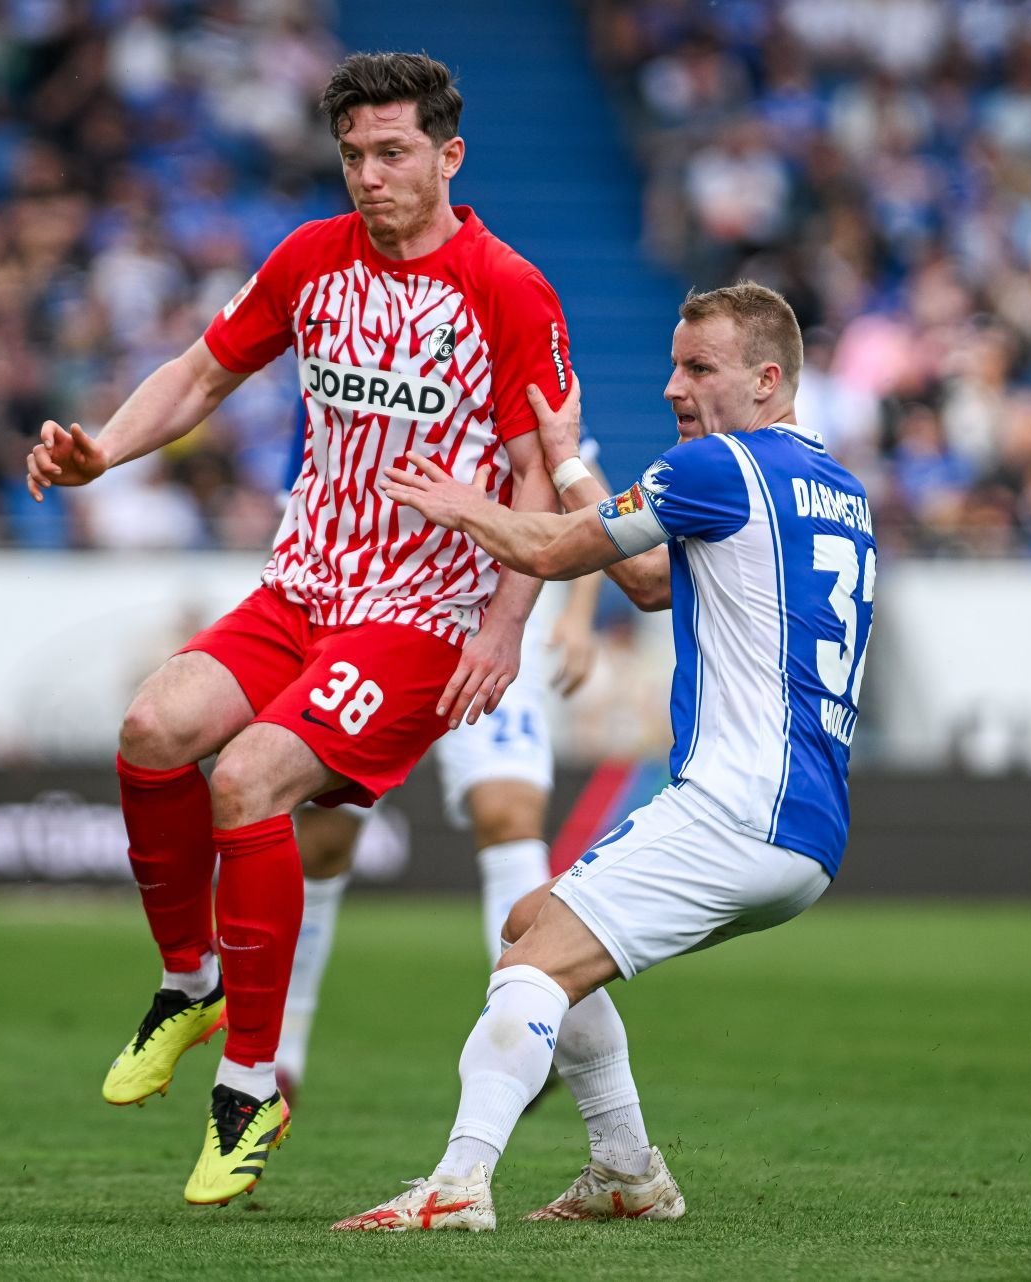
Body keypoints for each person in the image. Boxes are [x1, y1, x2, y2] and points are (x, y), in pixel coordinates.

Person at [26, 51, 578, 1205]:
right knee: (150, 729)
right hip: (302, 587)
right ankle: (190, 984)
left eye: (391, 154)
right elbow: (199, 373)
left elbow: (542, 472)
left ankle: (251, 1086)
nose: (369, 177)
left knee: (248, 783)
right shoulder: (308, 260)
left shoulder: (508, 289)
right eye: (353, 157)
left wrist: (508, 622)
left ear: (447, 155)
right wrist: (102, 451)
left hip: (422, 616)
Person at [334, 281, 875, 1231]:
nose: (672, 386)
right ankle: (626, 1171)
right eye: (673, 363)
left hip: (734, 805)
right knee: (536, 923)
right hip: (808, 831)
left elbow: (549, 550)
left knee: (531, 964)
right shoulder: (837, 490)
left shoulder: (724, 468)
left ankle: (456, 1187)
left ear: (767, 378)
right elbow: (647, 580)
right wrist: (565, 458)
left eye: (698, 367)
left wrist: (464, 505)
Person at [279, 572, 599, 1100]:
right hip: (379, 612)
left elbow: (581, 492)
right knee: (323, 839)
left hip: (496, 621)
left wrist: (578, 610)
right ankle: (278, 1056)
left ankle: (524, 1030)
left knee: (509, 815)